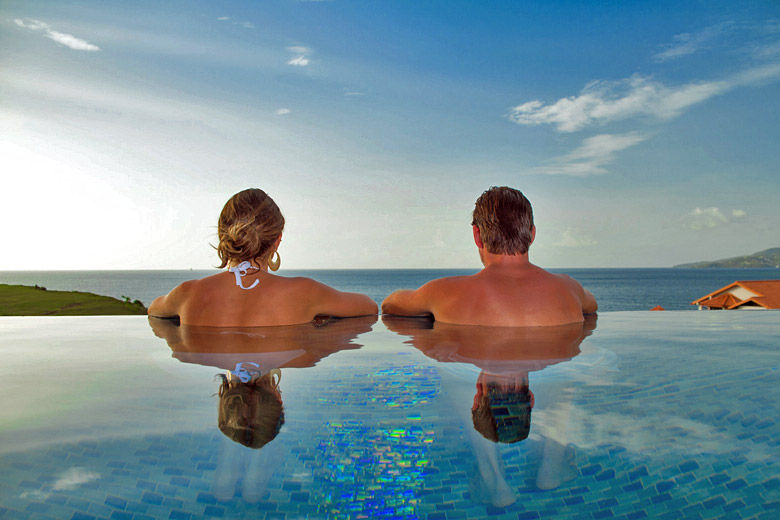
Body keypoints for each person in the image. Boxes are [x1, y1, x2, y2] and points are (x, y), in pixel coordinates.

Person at [149, 188, 378, 326]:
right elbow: (369, 306)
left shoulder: (187, 294)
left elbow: (154, 310)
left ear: (223, 235)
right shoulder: (305, 293)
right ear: (277, 240)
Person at [382, 186, 597, 326]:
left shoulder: (443, 293)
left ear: (477, 235)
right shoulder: (569, 289)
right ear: (532, 234)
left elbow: (390, 305)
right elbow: (592, 305)